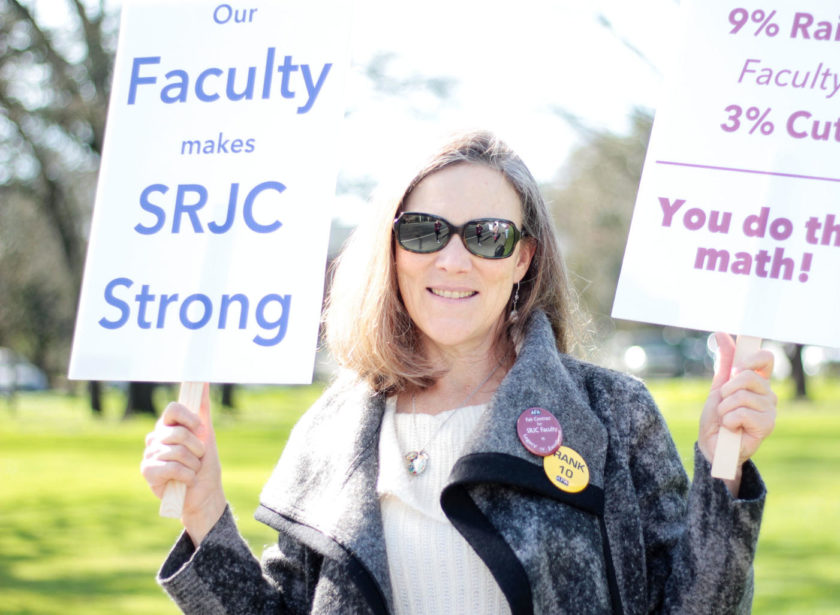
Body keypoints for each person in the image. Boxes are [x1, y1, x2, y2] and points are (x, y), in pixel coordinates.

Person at [141, 131, 777, 615]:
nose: (453, 260)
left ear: (524, 257)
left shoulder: (612, 413)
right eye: (424, 231)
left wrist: (725, 469)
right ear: (392, 250)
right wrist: (204, 513)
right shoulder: (330, 431)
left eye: (488, 235)